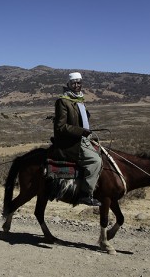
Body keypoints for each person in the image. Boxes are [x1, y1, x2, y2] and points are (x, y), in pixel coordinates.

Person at [52, 72, 102, 206]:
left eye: (79, 83)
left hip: (83, 137)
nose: (76, 85)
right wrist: (82, 132)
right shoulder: (63, 101)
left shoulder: (79, 100)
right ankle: (85, 194)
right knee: (95, 161)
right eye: (73, 83)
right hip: (72, 142)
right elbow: (60, 127)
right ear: (68, 84)